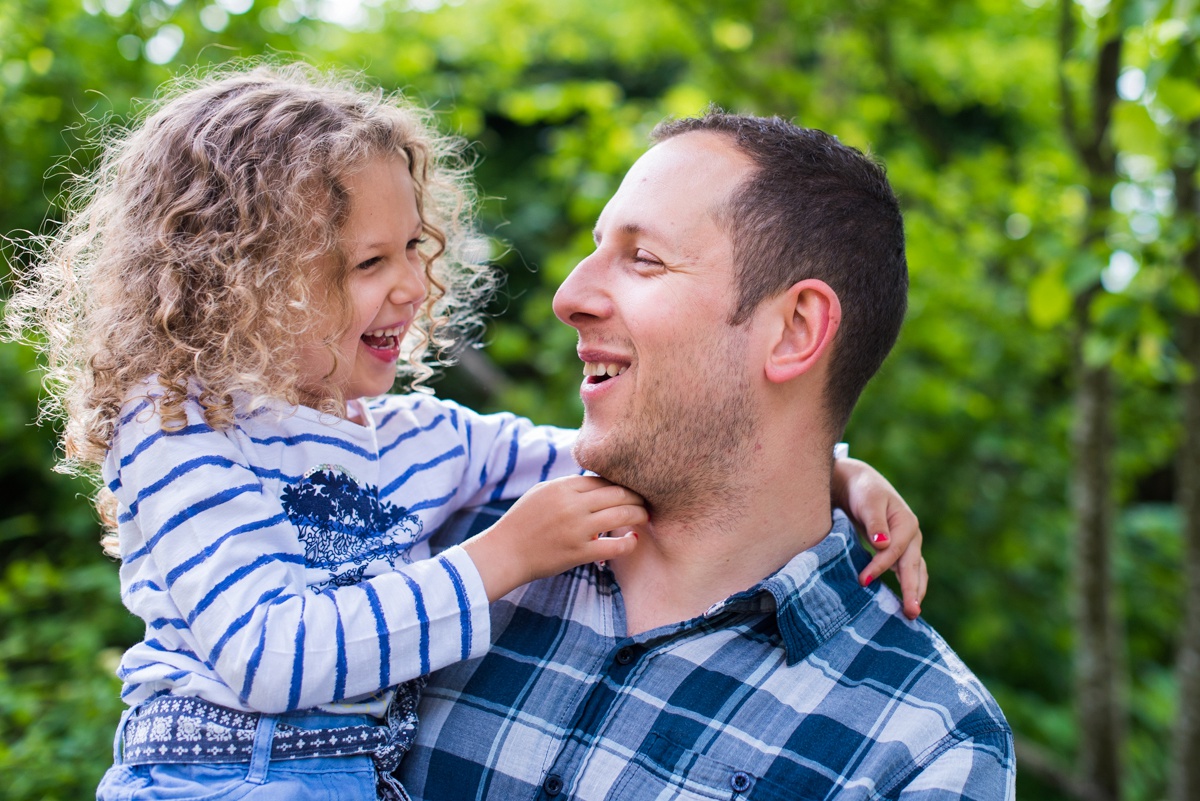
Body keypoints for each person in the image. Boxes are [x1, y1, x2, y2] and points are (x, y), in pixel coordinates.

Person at [3, 65, 926, 800]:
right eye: (368, 261)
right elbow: (266, 656)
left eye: (415, 247)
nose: (412, 285)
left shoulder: (414, 437)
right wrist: (498, 560)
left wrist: (835, 470)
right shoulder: (179, 425)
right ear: (240, 278)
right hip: (213, 775)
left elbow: (614, 452)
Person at [399, 111, 1015, 800]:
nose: (568, 297)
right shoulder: (434, 538)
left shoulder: (929, 747)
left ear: (794, 330)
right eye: (598, 248)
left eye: (644, 260)